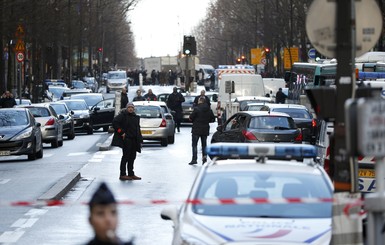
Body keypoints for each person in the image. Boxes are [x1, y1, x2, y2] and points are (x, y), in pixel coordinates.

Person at [111, 103, 143, 181]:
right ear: (126, 108)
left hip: (134, 139)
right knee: (126, 156)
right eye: (129, 107)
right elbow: (115, 123)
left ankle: (131, 173)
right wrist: (121, 132)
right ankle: (123, 174)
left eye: (132, 107)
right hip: (126, 139)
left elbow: (137, 128)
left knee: (132, 157)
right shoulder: (123, 115)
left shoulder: (135, 117)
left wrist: (140, 139)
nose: (130, 109)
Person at [188, 97, 215, 165]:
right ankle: (204, 158)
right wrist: (207, 121)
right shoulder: (209, 109)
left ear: (200, 101)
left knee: (194, 145)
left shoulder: (196, 109)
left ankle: (194, 159)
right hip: (205, 129)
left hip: (196, 129)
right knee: (204, 145)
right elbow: (213, 119)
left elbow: (191, 118)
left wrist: (193, 119)